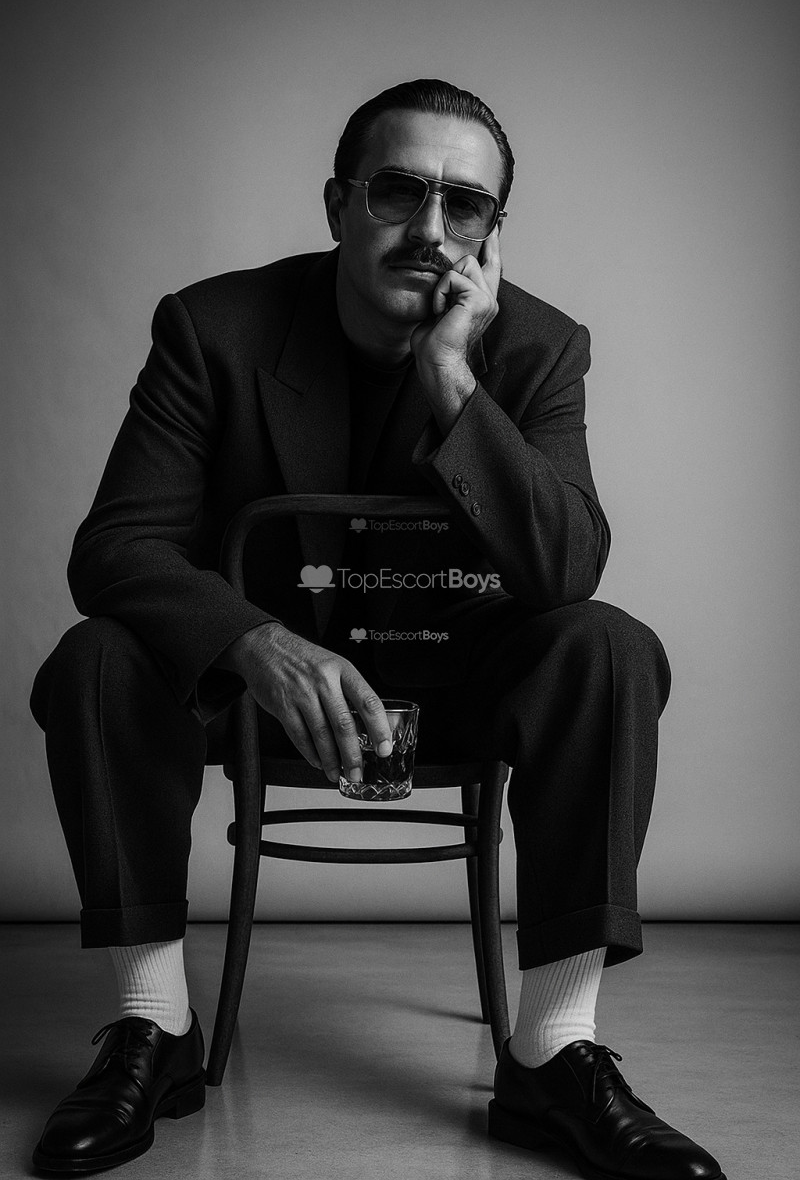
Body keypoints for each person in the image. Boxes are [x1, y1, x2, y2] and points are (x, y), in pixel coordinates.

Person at [28, 78, 725, 1179]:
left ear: (493, 229)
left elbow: (563, 571)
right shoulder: (212, 329)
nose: (432, 230)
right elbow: (116, 547)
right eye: (399, 192)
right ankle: (152, 1028)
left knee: (606, 644)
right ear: (337, 204)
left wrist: (452, 377)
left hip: (457, 680)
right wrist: (255, 643)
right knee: (99, 658)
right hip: (261, 694)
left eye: (466, 205)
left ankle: (553, 1051)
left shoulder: (537, 346)